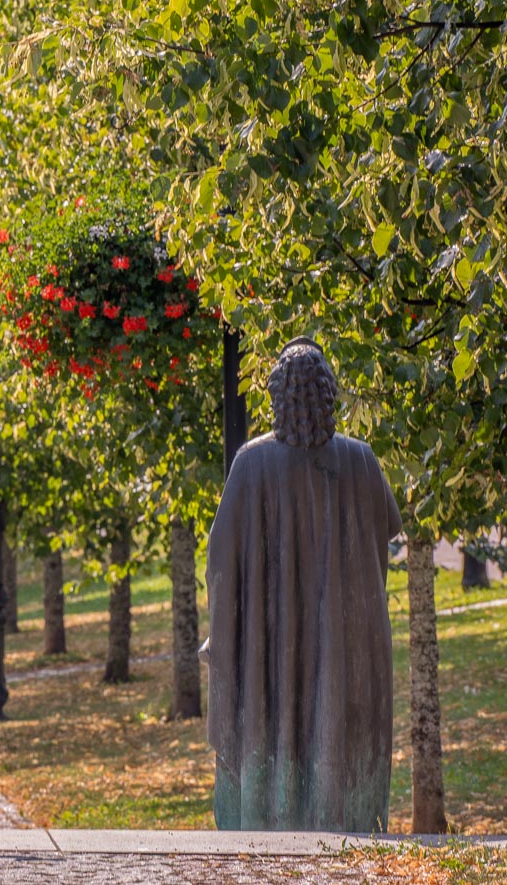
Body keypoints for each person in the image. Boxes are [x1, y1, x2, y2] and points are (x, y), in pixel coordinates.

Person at [206, 338, 402, 833]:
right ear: (328, 394)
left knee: (276, 716)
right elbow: (388, 528)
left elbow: (220, 562)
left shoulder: (251, 465)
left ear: (276, 397)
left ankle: (271, 817)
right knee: (335, 721)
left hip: (270, 647)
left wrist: (226, 633)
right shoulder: (361, 460)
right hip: (348, 640)